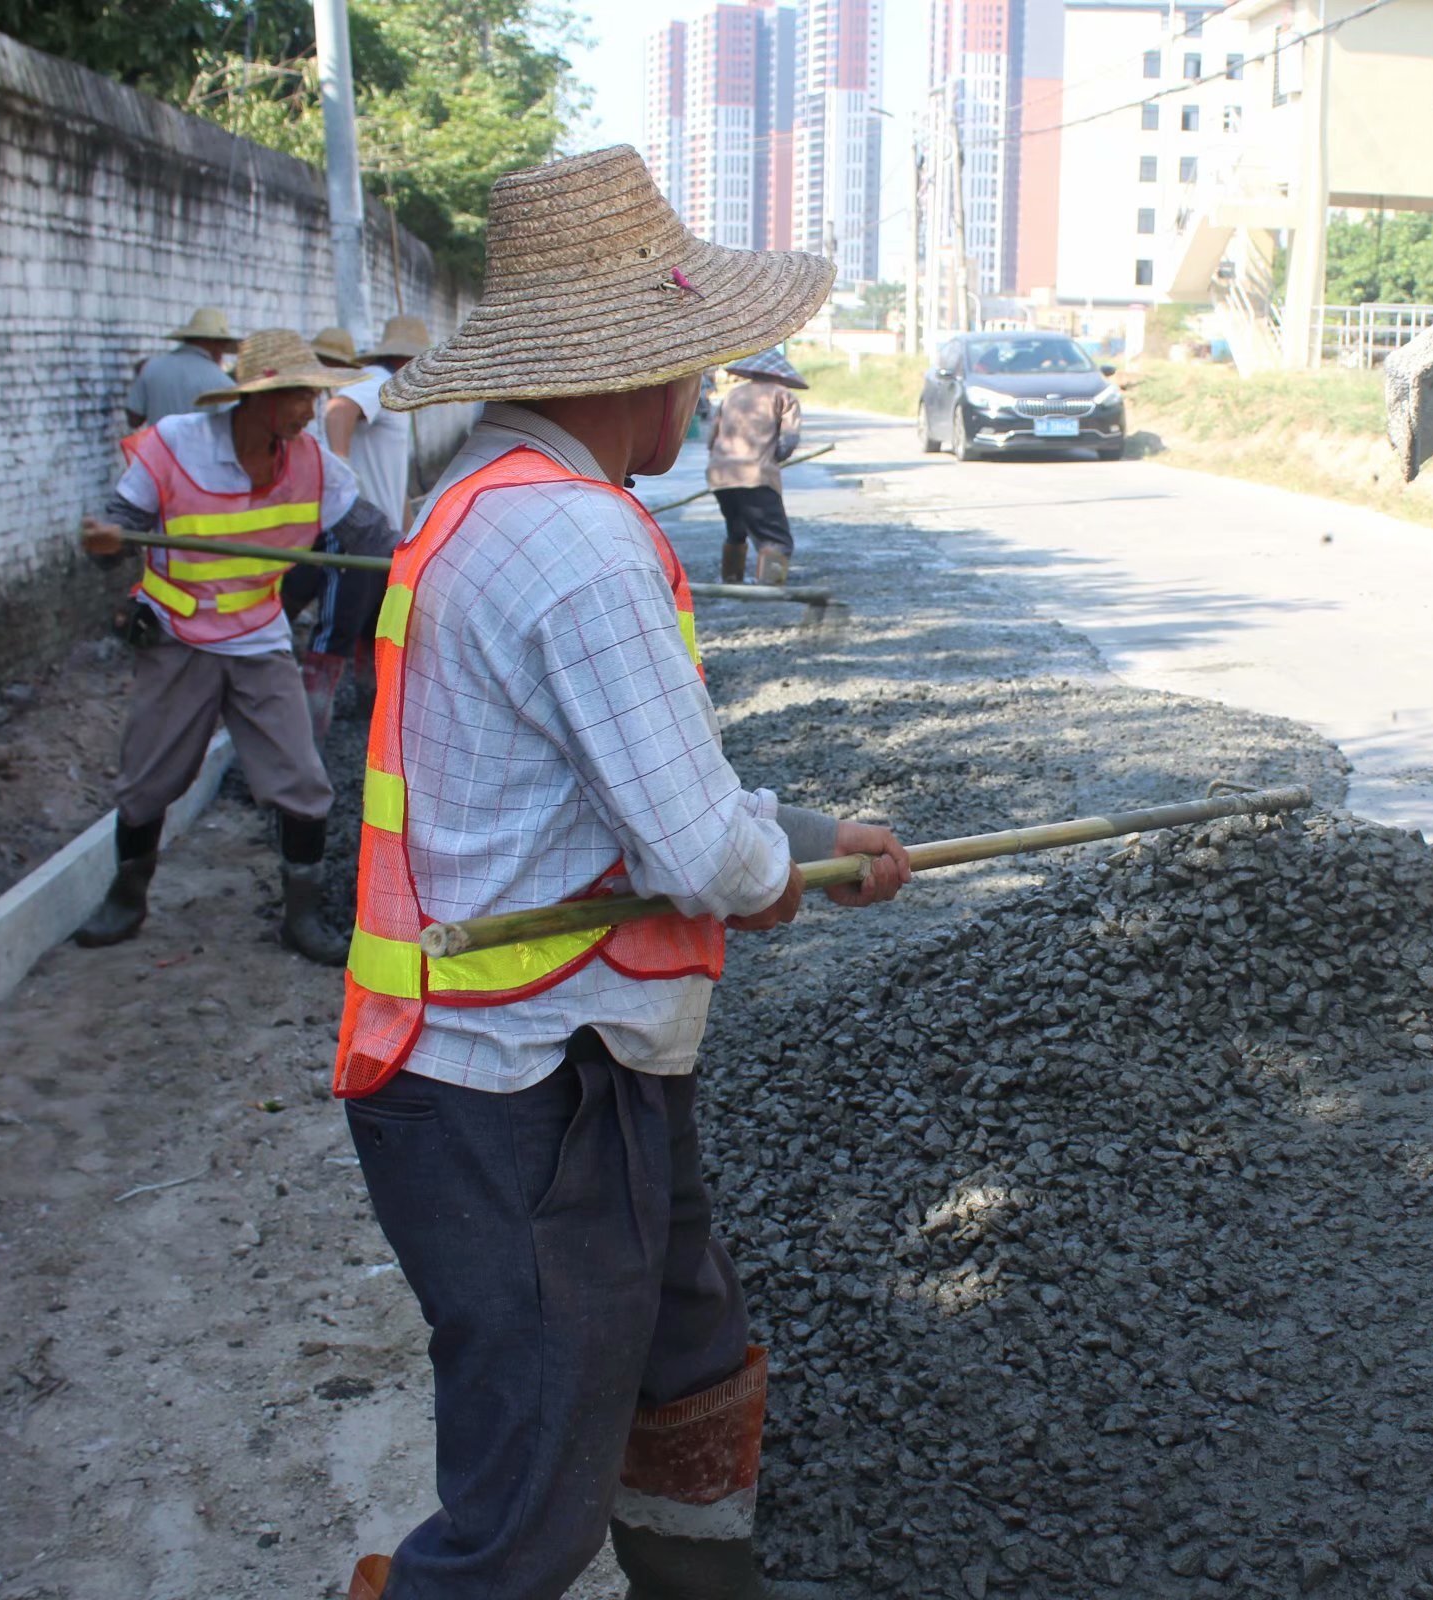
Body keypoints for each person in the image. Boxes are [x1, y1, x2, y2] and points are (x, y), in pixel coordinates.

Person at [331, 146, 908, 1600]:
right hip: (522, 1088)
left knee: (687, 1364)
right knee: (527, 1506)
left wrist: (811, 835)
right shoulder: (581, 541)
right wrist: (779, 873)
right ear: (630, 367)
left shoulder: (493, 492)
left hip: (565, 1063)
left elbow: (629, 795)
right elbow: (703, 852)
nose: (703, 393)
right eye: (692, 362)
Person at [77, 328, 392, 965]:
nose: (310, 410)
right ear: (256, 398)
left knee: (302, 782)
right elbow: (120, 527)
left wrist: (424, 557)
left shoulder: (313, 464)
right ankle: (127, 896)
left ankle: (299, 918)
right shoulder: (174, 446)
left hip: (257, 636)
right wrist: (106, 542)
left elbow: (370, 532)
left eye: (312, 396)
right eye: (300, 396)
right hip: (177, 636)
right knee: (147, 781)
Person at [291, 319, 430, 737]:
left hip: (381, 537)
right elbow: (340, 410)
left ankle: (366, 717)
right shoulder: (379, 382)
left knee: (372, 626)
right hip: (356, 531)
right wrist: (342, 467)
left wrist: (411, 540)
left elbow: (395, 484)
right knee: (338, 625)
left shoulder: (395, 394)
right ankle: (310, 730)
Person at [706, 347, 807, 586]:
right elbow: (789, 439)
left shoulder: (733, 394)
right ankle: (770, 585)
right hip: (756, 475)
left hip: (720, 475)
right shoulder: (782, 396)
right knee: (775, 536)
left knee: (737, 528)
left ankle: (731, 579)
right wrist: (776, 458)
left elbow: (712, 437)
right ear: (779, 375)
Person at [124, 307, 239, 428]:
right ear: (215, 343)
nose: (221, 354)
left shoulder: (151, 368)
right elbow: (231, 430)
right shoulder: (223, 384)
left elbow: (134, 420)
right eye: (223, 346)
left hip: (160, 446)